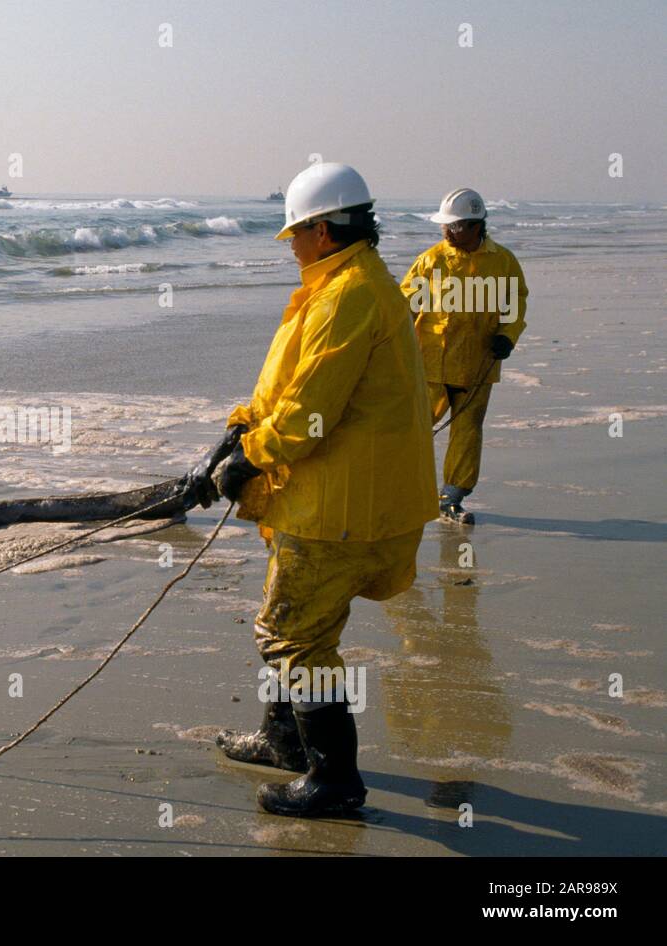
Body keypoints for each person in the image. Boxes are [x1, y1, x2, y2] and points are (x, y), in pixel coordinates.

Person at [180, 163, 437, 817]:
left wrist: (252, 459)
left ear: (322, 231)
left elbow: (310, 414)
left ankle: (334, 779)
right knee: (296, 624)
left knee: (295, 638)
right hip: (349, 496)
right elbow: (291, 387)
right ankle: (282, 740)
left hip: (342, 508)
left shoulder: (348, 296)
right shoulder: (349, 284)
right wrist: (240, 429)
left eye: (294, 232)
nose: (289, 244)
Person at [400, 188, 529, 523]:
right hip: (431, 363)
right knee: (410, 427)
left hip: (479, 364)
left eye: (455, 227)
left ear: (476, 226)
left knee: (468, 430)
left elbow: (515, 304)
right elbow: (404, 308)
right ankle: (393, 489)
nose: (448, 233)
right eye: (445, 227)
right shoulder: (430, 261)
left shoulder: (502, 262)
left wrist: (507, 336)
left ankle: (452, 498)